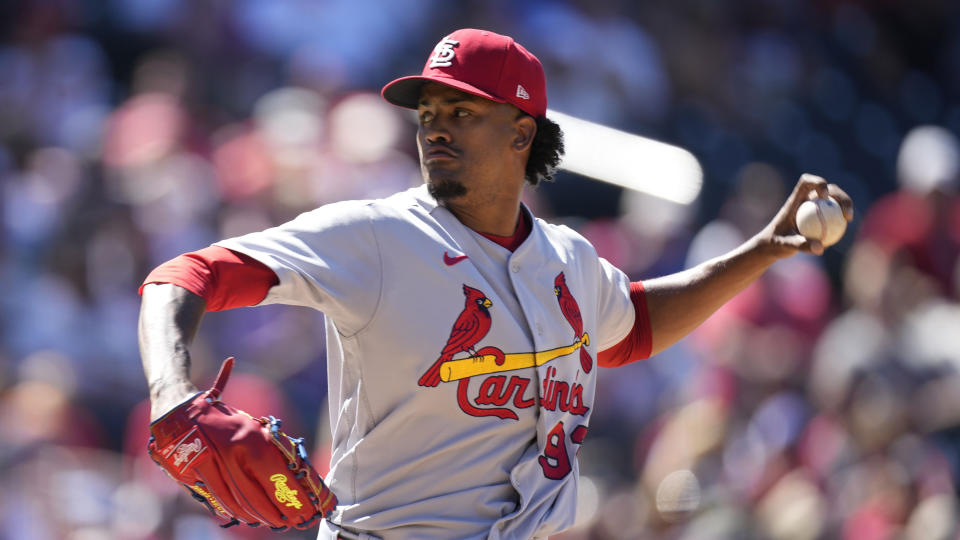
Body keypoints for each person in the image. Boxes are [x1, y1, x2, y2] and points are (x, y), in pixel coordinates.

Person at [138, 28, 853, 539]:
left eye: (461, 112)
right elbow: (185, 276)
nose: (434, 130)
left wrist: (765, 249)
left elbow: (633, 325)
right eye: (427, 114)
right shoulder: (377, 236)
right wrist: (172, 394)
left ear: (521, 132)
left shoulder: (569, 259)